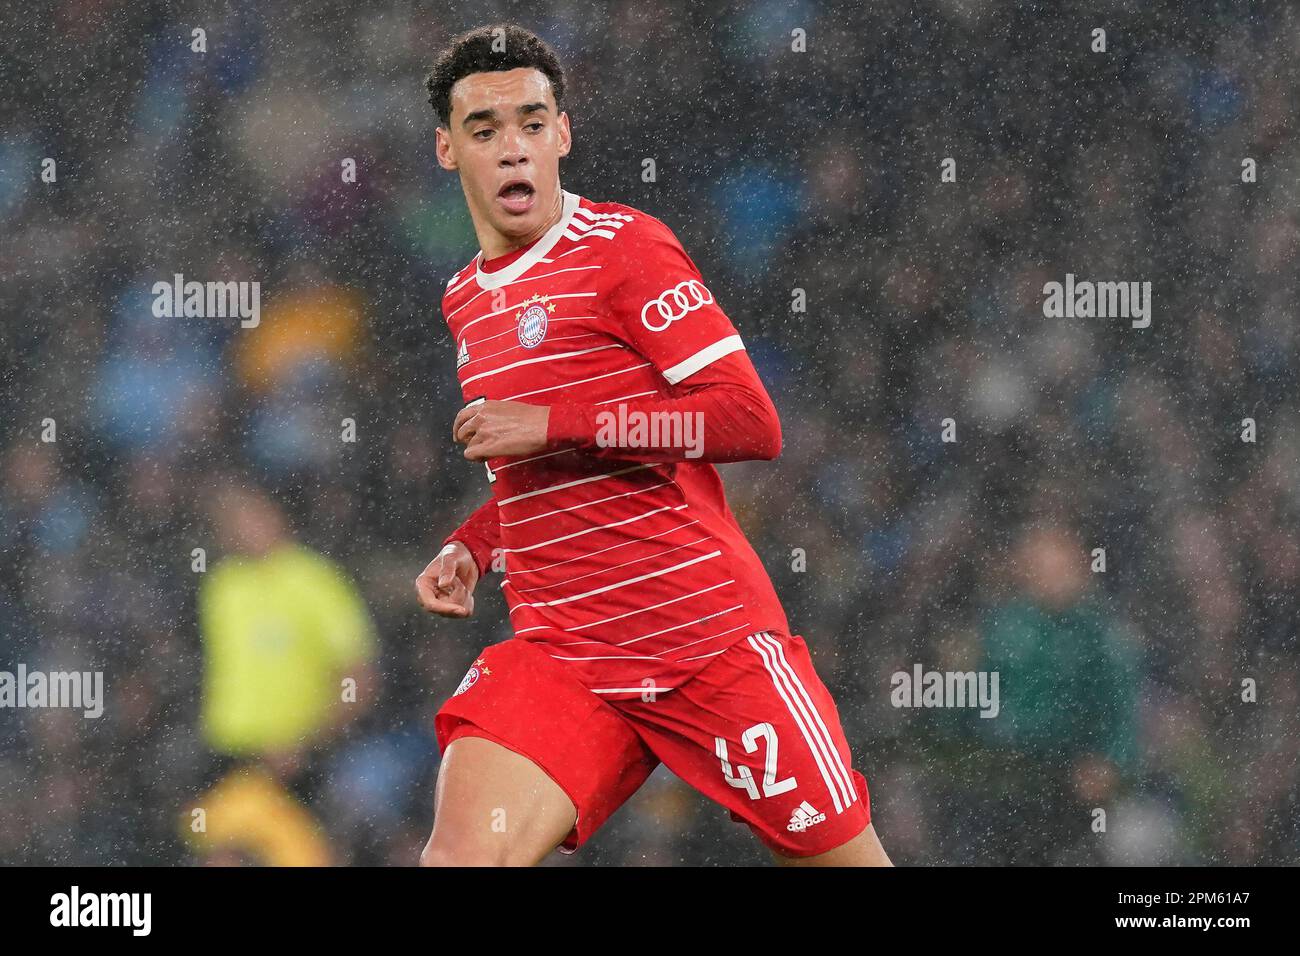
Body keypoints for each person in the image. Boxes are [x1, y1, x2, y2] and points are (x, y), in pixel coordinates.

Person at [414, 23, 890, 866]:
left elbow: (748, 422)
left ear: (562, 134)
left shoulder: (625, 249)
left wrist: (557, 418)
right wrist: (476, 544)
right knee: (459, 859)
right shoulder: (464, 298)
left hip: (702, 641)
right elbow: (541, 474)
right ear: (449, 150)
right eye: (485, 131)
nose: (513, 149)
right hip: (563, 653)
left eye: (531, 123)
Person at [185, 478, 378, 865]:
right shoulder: (221, 587)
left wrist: (310, 741)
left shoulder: (315, 580)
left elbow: (358, 677)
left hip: (300, 762)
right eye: (233, 521)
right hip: (230, 755)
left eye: (252, 516)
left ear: (279, 517)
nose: (244, 528)